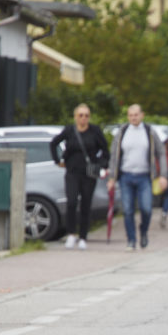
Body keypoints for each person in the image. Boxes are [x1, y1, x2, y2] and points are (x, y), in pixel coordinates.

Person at [107, 104, 168, 251]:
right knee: (128, 210)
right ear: (128, 116)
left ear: (142, 115)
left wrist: (163, 176)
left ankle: (143, 232)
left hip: (145, 177)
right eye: (131, 115)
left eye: (136, 114)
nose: (133, 117)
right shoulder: (122, 132)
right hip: (126, 176)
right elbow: (114, 155)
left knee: (146, 209)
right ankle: (131, 240)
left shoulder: (149, 132)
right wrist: (111, 177)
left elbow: (161, 152)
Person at [49, 103, 109, 250]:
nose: (83, 118)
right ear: (75, 117)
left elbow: (105, 151)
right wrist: (58, 161)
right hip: (72, 171)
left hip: (89, 173)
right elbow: (54, 143)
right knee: (71, 201)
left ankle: (83, 237)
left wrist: (101, 165)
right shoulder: (70, 130)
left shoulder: (95, 131)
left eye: (86, 115)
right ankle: (71, 234)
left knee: (86, 204)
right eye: (80, 115)